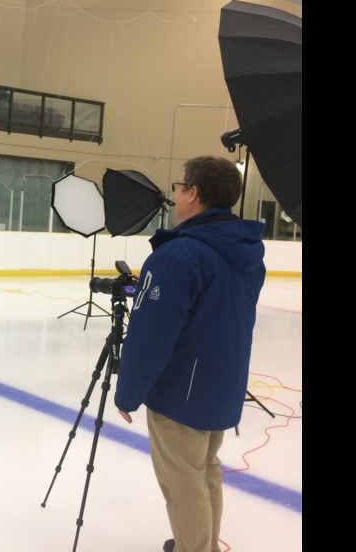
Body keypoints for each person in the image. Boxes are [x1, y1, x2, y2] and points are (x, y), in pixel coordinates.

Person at [113, 156, 266, 552]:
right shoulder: (247, 252)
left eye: (179, 186)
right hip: (221, 384)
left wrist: (128, 390)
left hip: (182, 393)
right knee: (206, 470)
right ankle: (202, 544)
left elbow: (151, 335)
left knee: (182, 483)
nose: (175, 193)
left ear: (193, 194)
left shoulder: (179, 255)